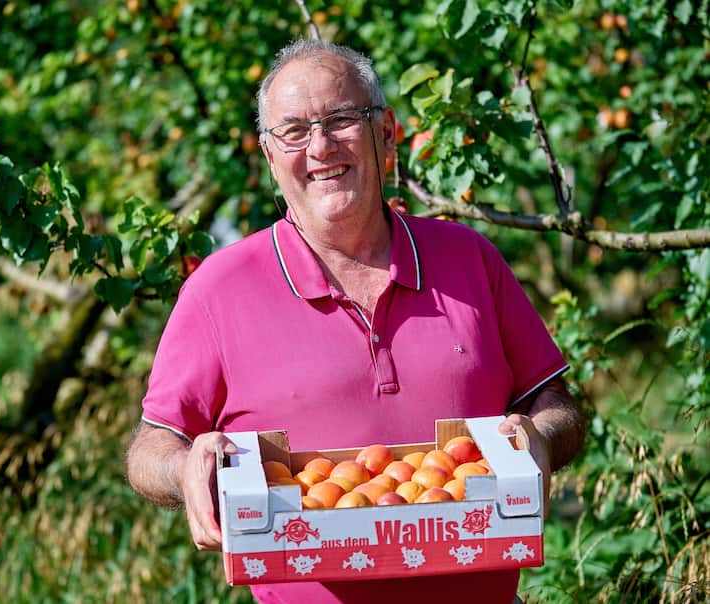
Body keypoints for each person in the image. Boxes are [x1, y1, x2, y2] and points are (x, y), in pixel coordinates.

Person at [126, 39, 586, 603]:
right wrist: (185, 468)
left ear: (387, 133)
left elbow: (555, 402)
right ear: (271, 156)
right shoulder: (218, 290)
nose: (320, 146)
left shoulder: (469, 260)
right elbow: (152, 446)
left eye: (342, 119)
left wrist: (540, 436)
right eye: (293, 130)